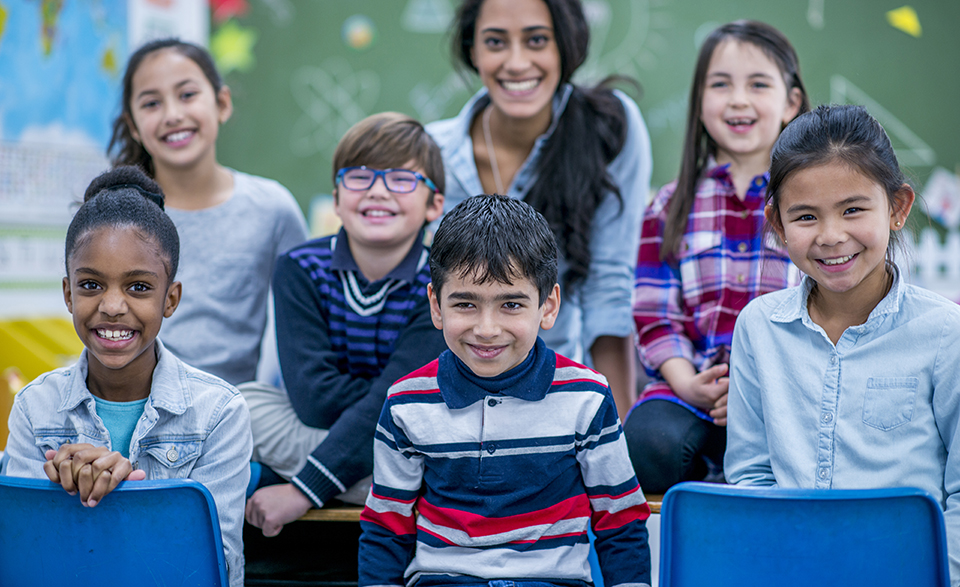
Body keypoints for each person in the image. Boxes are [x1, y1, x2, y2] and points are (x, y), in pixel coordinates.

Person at [359, 194, 651, 586]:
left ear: (548, 307)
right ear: (436, 305)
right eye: (465, 304)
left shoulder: (587, 397)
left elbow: (621, 521)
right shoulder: (406, 402)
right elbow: (386, 527)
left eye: (511, 305)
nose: (487, 328)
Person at [725, 103, 960, 581]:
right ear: (777, 225)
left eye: (853, 210)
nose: (832, 236)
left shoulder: (944, 332)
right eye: (806, 216)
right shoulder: (757, 328)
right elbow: (751, 478)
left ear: (897, 208)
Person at [2, 166, 252, 587]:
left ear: (170, 298)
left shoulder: (220, 413)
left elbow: (218, 571)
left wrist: (127, 494)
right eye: (91, 285)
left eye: (138, 287)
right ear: (68, 293)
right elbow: (25, 561)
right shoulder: (34, 407)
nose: (113, 305)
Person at [426, 0, 652, 419]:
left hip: (555, 391)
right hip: (452, 396)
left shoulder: (609, 128)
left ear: (565, 46)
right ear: (472, 50)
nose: (516, 62)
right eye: (495, 41)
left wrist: (618, 428)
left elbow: (609, 285)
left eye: (537, 40)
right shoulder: (431, 155)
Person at [242, 112, 448, 537]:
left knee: (446, 427)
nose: (377, 191)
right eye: (359, 178)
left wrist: (304, 490)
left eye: (401, 180)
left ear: (434, 204)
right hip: (364, 431)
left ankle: (343, 480)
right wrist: (385, 398)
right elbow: (314, 400)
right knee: (246, 405)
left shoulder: (443, 283)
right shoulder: (300, 269)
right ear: (336, 198)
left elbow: (401, 406)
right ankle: (395, 487)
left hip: (417, 433)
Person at [626, 20, 808, 493]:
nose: (738, 100)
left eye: (758, 84)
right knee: (648, 445)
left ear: (791, 102)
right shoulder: (671, 204)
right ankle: (713, 478)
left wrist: (758, 391)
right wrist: (689, 385)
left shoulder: (813, 201)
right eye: (721, 84)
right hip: (698, 391)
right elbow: (656, 313)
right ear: (701, 101)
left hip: (790, 393)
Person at [108, 38, 308, 386]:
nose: (173, 114)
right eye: (152, 103)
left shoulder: (272, 207)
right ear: (134, 126)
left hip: (234, 414)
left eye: (187, 95)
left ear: (222, 103)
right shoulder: (115, 217)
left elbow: (307, 322)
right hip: (130, 405)